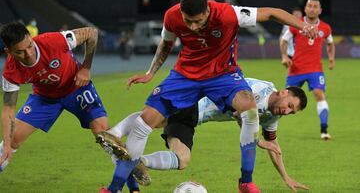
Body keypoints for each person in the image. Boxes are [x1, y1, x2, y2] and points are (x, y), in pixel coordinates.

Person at [97, 0, 317, 192]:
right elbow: (166, 44)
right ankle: (114, 184)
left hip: (223, 75)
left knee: (248, 109)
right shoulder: (172, 16)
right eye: (188, 21)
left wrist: (302, 26)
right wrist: (151, 73)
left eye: (198, 21)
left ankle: (246, 181)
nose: (192, 27)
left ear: (208, 11)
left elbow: (271, 13)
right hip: (185, 75)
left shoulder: (228, 14)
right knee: (147, 121)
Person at [101, 78, 310, 192]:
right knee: (152, 119)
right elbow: (240, 115)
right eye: (290, 105)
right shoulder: (260, 91)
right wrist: (260, 141)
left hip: (193, 118)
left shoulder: (274, 115)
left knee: (182, 158)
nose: (288, 111)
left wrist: (286, 177)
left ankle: (136, 162)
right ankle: (114, 135)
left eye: (292, 112)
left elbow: (275, 147)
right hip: (193, 98)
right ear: (283, 92)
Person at [0, 22, 110, 173]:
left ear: (31, 38)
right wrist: (6, 144)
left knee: (103, 133)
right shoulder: (11, 72)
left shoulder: (53, 41)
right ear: (8, 51)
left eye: (30, 46)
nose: (29, 54)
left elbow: (92, 32)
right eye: (20, 52)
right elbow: (8, 110)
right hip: (45, 99)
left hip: (76, 87)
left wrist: (86, 67)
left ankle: (128, 181)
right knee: (12, 140)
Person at [280, 0, 335, 140]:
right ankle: (270, 129)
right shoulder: (296, 25)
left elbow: (330, 44)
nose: (312, 9)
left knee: (319, 94)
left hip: (315, 69)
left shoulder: (325, 28)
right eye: (309, 6)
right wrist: (285, 56)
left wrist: (331, 58)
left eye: (315, 6)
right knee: (285, 98)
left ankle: (324, 130)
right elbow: (284, 41)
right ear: (305, 8)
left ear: (320, 10)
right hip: (296, 69)